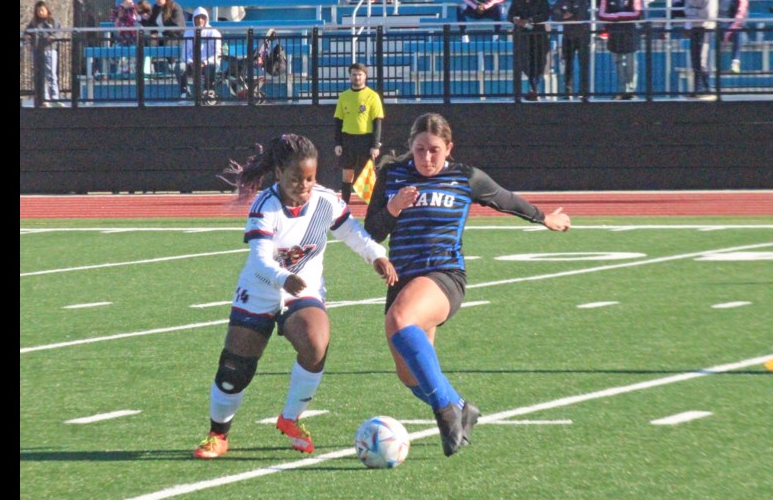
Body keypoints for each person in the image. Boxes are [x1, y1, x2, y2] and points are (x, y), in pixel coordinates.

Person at [363, 113, 570, 457]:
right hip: (403, 280)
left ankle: (445, 413)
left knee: (401, 321)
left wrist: (543, 217)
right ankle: (461, 407)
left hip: (444, 277)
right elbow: (372, 232)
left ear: (449, 148)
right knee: (410, 376)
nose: (427, 158)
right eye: (419, 150)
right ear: (410, 148)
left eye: (434, 150)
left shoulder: (464, 177)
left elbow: (504, 199)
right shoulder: (392, 174)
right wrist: (392, 208)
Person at [193, 134, 398, 460]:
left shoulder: (326, 200)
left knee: (316, 343)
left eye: (310, 178)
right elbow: (261, 259)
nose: (304, 185)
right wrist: (283, 277)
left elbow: (353, 232)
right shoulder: (266, 205)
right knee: (235, 368)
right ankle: (218, 434)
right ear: (278, 174)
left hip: (303, 291)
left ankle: (290, 418)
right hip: (261, 289)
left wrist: (377, 255)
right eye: (295, 178)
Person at [334, 63, 384, 204]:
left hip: (366, 140)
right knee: (347, 174)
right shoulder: (344, 96)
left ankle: (372, 205)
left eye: (360, 74)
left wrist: (375, 145)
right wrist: (338, 143)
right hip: (348, 140)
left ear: (365, 76)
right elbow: (338, 121)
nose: (357, 77)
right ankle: (344, 206)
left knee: (368, 176)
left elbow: (377, 122)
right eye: (354, 74)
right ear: (350, 76)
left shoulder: (372, 96)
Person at [599, 0, 643, 100]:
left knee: (631, 64)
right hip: (614, 33)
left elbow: (636, 13)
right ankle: (621, 90)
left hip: (630, 33)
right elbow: (602, 15)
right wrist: (621, 16)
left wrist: (616, 16)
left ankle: (631, 90)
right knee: (618, 64)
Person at [509, 0, 551, 101]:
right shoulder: (518, 0)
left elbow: (545, 14)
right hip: (523, 36)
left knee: (538, 63)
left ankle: (534, 89)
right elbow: (510, 15)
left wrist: (531, 20)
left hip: (539, 35)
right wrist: (516, 20)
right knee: (526, 63)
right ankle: (531, 89)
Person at [550, 0, 591, 100]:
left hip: (582, 36)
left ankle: (584, 92)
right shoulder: (561, 0)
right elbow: (555, 16)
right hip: (568, 37)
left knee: (583, 65)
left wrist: (569, 14)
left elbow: (582, 15)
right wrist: (565, 16)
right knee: (568, 65)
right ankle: (568, 92)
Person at [683, 0, 718, 98]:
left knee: (702, 59)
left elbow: (707, 13)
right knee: (694, 59)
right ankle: (697, 88)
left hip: (706, 28)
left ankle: (707, 87)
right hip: (695, 27)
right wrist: (695, 12)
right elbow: (686, 9)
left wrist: (693, 11)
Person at [180, 7, 222, 100]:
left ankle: (208, 91)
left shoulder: (214, 33)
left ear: (206, 19)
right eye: (197, 18)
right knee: (180, 67)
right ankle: (184, 91)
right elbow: (185, 53)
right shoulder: (188, 33)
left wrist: (204, 62)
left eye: (202, 18)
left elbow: (217, 53)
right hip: (192, 63)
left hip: (209, 63)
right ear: (193, 19)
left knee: (210, 67)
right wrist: (191, 62)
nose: (200, 20)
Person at [23, 0, 61, 104]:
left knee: (51, 74)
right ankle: (45, 98)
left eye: (42, 10)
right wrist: (27, 36)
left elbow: (58, 32)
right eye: (38, 11)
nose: (40, 13)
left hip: (50, 50)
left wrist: (53, 37)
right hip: (37, 51)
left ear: (46, 10)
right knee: (41, 75)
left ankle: (55, 98)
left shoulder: (52, 21)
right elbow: (26, 32)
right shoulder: (34, 23)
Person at [719, 0, 750, 74]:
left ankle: (735, 62)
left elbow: (739, 18)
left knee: (738, 34)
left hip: (733, 29)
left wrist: (728, 34)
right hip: (719, 28)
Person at [109, 0, 140, 75]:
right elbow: (113, 21)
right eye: (127, 3)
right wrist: (119, 16)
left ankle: (132, 71)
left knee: (134, 52)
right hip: (121, 39)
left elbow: (139, 19)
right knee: (118, 52)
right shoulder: (118, 10)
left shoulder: (135, 10)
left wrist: (135, 11)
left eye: (131, 3)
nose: (130, 5)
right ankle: (121, 71)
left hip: (133, 39)